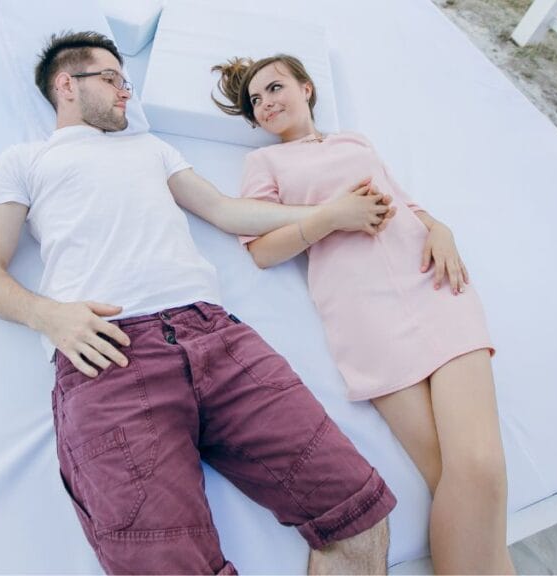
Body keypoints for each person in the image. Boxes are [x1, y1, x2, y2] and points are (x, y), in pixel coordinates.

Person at [0, 31, 401, 575]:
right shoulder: (24, 160)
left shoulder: (151, 149)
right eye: (112, 79)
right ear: (66, 86)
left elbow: (225, 211)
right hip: (108, 359)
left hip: (216, 337)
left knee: (356, 514)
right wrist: (50, 315)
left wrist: (326, 215)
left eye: (127, 81)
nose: (126, 92)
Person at [212, 54, 516, 574]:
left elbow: (409, 204)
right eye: (255, 102)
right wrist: (331, 218)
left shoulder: (355, 141)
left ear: (306, 89)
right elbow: (261, 250)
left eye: (274, 88)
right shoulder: (264, 165)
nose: (265, 104)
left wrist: (441, 229)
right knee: (449, 475)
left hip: (434, 283)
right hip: (365, 318)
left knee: (481, 468)